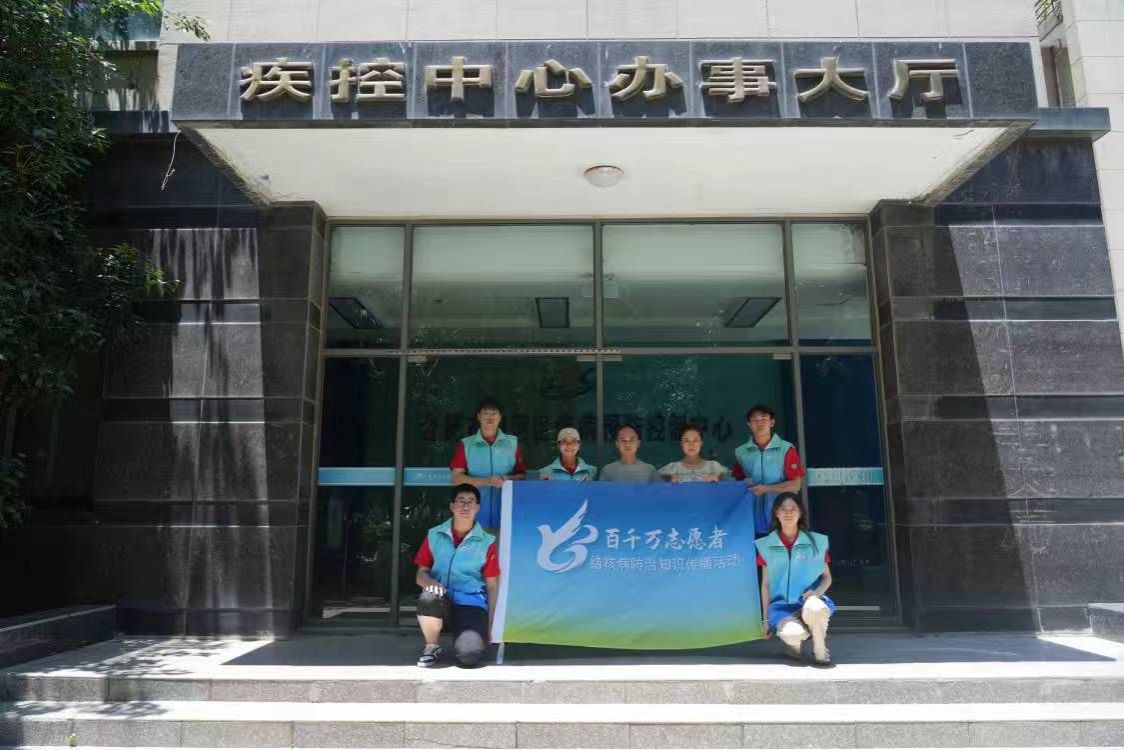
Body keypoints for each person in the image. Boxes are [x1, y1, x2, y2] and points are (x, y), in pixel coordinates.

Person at [413, 483, 500, 668]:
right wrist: (430, 583)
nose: (465, 506)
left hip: (471, 604)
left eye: (471, 501)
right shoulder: (434, 535)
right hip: (442, 601)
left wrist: (491, 624)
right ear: (452, 506)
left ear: (478, 508)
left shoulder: (487, 542)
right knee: (428, 597)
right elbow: (420, 574)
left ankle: (465, 639)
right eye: (461, 501)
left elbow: (492, 586)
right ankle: (432, 646)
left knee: (469, 658)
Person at [755, 492, 834, 666]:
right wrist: (765, 620)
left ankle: (820, 648)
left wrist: (816, 593)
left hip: (808, 601)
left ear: (800, 513)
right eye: (784, 509)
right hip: (782, 607)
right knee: (792, 634)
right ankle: (793, 644)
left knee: (815, 608)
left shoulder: (816, 543)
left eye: (793, 509)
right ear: (776, 513)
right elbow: (766, 584)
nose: (788, 513)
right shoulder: (766, 545)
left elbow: (827, 578)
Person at [450, 397, 526, 529]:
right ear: (479, 416)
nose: (490, 417)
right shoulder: (466, 444)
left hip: (506, 511)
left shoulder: (513, 443)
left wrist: (507, 479)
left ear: (500, 417)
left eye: (494, 413)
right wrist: (486, 481)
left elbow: (522, 476)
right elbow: (456, 478)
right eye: (486, 413)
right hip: (473, 513)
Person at [732, 404, 805, 535]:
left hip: (782, 516)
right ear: (749, 424)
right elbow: (736, 482)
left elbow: (796, 484)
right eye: (755, 420)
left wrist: (766, 489)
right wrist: (742, 482)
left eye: (764, 419)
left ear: (772, 422)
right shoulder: (741, 452)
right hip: (752, 516)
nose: (759, 423)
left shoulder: (786, 449)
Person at [658, 423, 729, 482]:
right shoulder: (671, 469)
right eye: (686, 441)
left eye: (695, 440)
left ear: (701, 443)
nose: (691, 445)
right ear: (681, 443)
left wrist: (718, 478)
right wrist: (669, 479)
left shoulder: (714, 467)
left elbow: (730, 484)